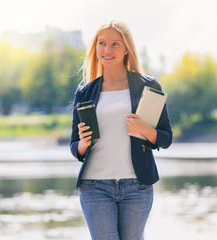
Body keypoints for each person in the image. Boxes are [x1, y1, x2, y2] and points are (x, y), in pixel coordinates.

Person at [70, 20, 173, 240]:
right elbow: (75, 148)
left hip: (137, 187)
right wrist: (83, 143)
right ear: (95, 48)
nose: (107, 50)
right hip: (94, 186)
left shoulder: (148, 86)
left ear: (126, 48)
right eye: (102, 43)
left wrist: (143, 129)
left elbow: (165, 138)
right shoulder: (85, 92)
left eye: (115, 44)